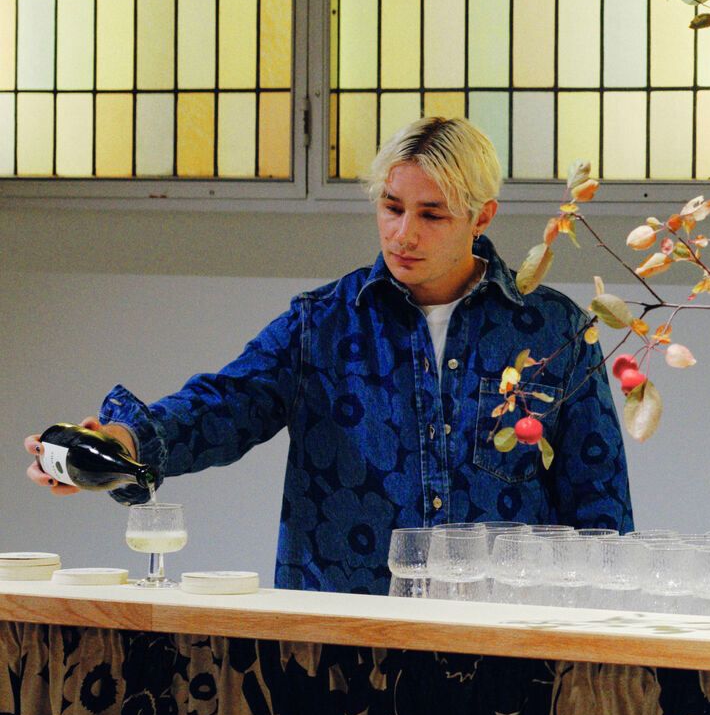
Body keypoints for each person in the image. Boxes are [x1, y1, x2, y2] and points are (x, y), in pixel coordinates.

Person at [21, 116, 632, 594]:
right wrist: (125, 445)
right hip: (342, 639)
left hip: (506, 654)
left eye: (432, 214)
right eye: (392, 207)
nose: (404, 233)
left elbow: (601, 512)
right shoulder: (323, 324)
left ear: (481, 216)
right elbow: (224, 405)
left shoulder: (554, 331)